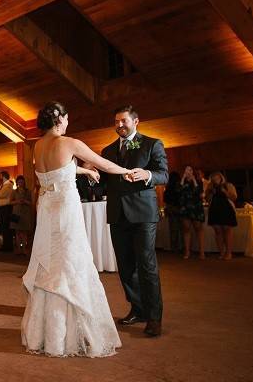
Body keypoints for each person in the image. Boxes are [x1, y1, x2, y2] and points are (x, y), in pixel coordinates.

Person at [23, 102, 132, 357]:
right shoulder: (69, 142)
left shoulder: (38, 146)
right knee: (72, 263)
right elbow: (103, 163)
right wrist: (127, 171)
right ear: (61, 119)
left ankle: (46, 335)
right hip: (65, 211)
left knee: (49, 264)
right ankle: (72, 335)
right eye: (68, 117)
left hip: (47, 209)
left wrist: (83, 172)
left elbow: (55, 171)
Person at [101, 105, 168, 338]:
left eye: (124, 121)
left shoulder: (152, 144)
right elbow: (103, 184)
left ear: (136, 121)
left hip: (143, 215)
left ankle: (154, 317)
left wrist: (147, 175)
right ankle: (137, 309)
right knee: (126, 266)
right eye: (116, 121)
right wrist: (86, 174)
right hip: (118, 215)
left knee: (146, 265)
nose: (119, 125)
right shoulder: (107, 150)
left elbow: (164, 174)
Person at [206, 172, 238, 260]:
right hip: (215, 210)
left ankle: (229, 253)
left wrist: (225, 192)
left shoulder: (228, 185)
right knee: (218, 231)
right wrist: (210, 193)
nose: (216, 180)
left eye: (217, 178)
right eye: (214, 178)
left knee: (227, 230)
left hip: (226, 209)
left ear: (221, 178)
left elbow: (234, 197)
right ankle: (221, 252)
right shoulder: (210, 187)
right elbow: (207, 199)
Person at [179, 165, 205, 260]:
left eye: (189, 170)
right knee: (186, 229)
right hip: (185, 207)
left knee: (198, 228)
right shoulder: (182, 181)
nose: (188, 171)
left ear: (193, 171)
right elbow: (178, 191)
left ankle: (201, 252)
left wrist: (194, 180)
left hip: (196, 207)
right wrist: (183, 178)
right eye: (186, 170)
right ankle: (187, 252)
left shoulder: (198, 181)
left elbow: (199, 192)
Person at [10, 175, 33, 255]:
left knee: (24, 232)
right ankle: (19, 249)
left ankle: (24, 249)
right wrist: (17, 201)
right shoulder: (14, 191)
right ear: (17, 183)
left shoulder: (28, 191)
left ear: (24, 182)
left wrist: (25, 201)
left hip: (25, 213)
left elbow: (31, 202)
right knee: (17, 232)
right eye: (19, 182)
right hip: (16, 213)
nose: (21, 183)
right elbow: (10, 202)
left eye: (22, 182)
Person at [0, 171, 15, 251]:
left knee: (6, 227)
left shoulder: (8, 185)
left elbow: (1, 194)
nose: (0, 178)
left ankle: (8, 246)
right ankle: (5, 245)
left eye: (1, 176)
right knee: (3, 227)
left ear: (4, 176)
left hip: (6, 207)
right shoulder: (3, 185)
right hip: (2, 208)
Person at [163, 171, 182, 253]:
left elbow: (165, 199)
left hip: (170, 208)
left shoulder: (168, 187)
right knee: (179, 228)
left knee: (173, 228)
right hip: (177, 208)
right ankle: (179, 247)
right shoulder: (178, 186)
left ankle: (174, 247)